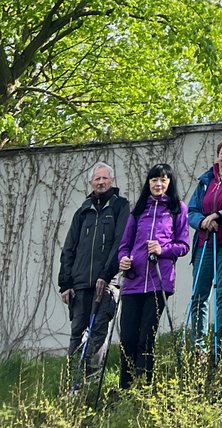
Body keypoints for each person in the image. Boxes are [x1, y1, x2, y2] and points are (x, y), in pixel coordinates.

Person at [57, 162, 129, 388]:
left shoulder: (120, 206)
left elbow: (120, 243)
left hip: (106, 284)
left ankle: (90, 385)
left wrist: (106, 276)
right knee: (77, 334)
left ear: (112, 180)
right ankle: (72, 386)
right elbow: (69, 248)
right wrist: (65, 283)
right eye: (97, 179)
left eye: (105, 178)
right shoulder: (83, 211)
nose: (101, 182)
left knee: (98, 334)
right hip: (79, 285)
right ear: (90, 182)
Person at [117, 165, 189, 389]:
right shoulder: (138, 210)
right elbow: (124, 245)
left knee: (146, 338)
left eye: (163, 180)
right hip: (133, 282)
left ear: (170, 183)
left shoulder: (177, 209)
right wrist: (123, 259)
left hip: (159, 281)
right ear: (148, 183)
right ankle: (126, 388)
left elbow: (183, 245)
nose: (158, 184)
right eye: (154, 180)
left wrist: (162, 249)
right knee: (127, 338)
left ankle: (144, 387)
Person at [186, 135, 222, 355]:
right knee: (199, 295)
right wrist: (203, 221)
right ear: (218, 155)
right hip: (205, 242)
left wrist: (220, 215)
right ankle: (198, 346)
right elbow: (191, 211)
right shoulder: (205, 180)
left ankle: (220, 343)